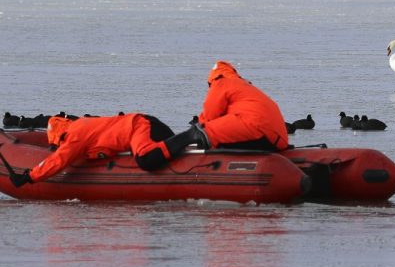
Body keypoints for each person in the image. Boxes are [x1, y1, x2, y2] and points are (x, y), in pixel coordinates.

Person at [8, 112, 207, 187]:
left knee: (146, 160)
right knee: (165, 153)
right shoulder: (81, 126)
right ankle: (199, 138)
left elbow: (59, 160)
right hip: (148, 124)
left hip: (140, 127)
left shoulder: (74, 136)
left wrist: (29, 177)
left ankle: (192, 134)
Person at [194, 60, 290, 152]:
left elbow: (209, 116)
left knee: (201, 132)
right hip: (279, 139)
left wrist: (198, 127)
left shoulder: (220, 82)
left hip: (260, 131)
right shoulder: (245, 85)